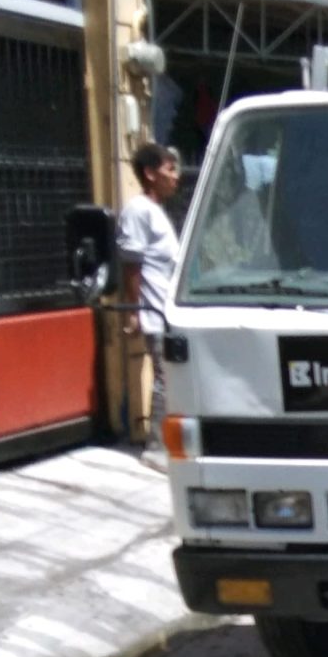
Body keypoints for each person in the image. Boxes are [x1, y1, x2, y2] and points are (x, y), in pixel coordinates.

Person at [116, 143, 182, 451]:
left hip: (169, 313)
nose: (176, 176)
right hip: (154, 313)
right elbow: (131, 264)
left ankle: (167, 443)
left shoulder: (156, 211)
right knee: (165, 380)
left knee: (172, 379)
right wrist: (134, 311)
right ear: (150, 174)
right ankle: (156, 448)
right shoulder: (138, 211)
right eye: (170, 169)